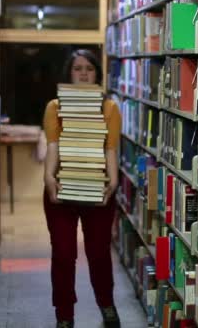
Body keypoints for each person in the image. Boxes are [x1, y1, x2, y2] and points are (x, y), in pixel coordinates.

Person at [42, 49, 121, 328]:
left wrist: (113, 180)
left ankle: (107, 305)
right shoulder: (55, 107)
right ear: (69, 74)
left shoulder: (109, 108)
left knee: (99, 253)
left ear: (97, 74)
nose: (84, 72)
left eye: (89, 68)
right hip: (62, 187)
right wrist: (49, 177)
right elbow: (53, 145)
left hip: (97, 188)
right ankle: (64, 316)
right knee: (63, 254)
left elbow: (110, 148)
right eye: (77, 68)